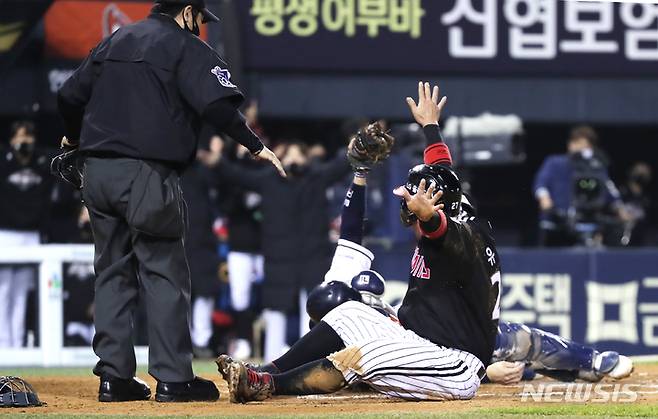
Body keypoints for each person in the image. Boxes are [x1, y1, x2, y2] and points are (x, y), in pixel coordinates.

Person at [56, 0, 284, 403]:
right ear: (187, 11)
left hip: (97, 172)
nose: (200, 26)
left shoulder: (115, 40)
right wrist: (254, 146)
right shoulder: (185, 47)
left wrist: (74, 139)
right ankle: (174, 378)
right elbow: (217, 105)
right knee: (163, 272)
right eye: (199, 18)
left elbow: (69, 96)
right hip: (146, 173)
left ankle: (114, 378)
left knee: (111, 271)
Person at [217, 82, 500, 402]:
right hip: (420, 342)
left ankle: (266, 386)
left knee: (362, 354)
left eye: (416, 198)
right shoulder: (459, 206)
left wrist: (428, 218)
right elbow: (444, 176)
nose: (408, 202)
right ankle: (267, 370)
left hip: (454, 364)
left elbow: (443, 232)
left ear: (433, 205)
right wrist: (431, 128)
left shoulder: (462, 235)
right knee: (347, 313)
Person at [210, 138, 351, 362]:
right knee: (275, 311)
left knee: (313, 311)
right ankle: (272, 365)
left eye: (298, 154)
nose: (293, 159)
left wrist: (354, 148)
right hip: (278, 257)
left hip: (312, 256)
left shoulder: (316, 178)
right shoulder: (268, 180)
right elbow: (238, 175)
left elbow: (341, 165)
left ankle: (311, 362)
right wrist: (219, 162)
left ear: (307, 159)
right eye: (289, 154)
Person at [0, 120, 53, 348]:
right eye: (19, 137)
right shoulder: (3, 164)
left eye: (28, 136)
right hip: (5, 234)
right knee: (3, 292)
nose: (24, 141)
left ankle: (18, 345)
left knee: (22, 294)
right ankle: (3, 345)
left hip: (30, 235)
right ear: (11, 140)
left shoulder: (41, 166)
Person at [533, 126, 627, 247]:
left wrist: (620, 209)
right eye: (576, 143)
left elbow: (610, 190)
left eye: (584, 145)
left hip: (585, 225)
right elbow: (541, 183)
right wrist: (544, 198)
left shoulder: (597, 167)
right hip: (556, 225)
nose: (578, 148)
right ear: (570, 144)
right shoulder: (554, 162)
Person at [486, 321, 633, 385]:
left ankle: (587, 363)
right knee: (517, 339)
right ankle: (590, 363)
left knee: (507, 338)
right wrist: (486, 374)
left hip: (473, 355)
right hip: (466, 371)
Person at [619, 162, 652, 246]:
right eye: (639, 171)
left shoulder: (649, 195)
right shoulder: (621, 191)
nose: (643, 174)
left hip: (643, 233)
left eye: (645, 172)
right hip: (624, 231)